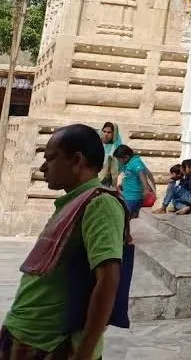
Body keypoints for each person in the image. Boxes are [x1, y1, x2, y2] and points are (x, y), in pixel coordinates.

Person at [1, 124, 127, 360]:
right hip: (26, 336)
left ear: (77, 160)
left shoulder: (99, 204)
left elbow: (108, 280)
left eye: (51, 158)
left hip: (51, 345)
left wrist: (83, 353)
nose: (43, 166)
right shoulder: (76, 201)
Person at [112, 145, 153, 218]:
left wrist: (146, 188)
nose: (118, 161)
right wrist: (122, 185)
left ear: (126, 157)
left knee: (127, 218)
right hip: (129, 196)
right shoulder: (129, 163)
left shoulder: (135, 162)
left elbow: (141, 173)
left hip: (133, 197)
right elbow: (130, 176)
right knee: (132, 219)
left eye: (119, 159)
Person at [99, 123, 121, 188]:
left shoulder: (114, 148)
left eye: (109, 132)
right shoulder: (95, 144)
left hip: (105, 180)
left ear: (113, 134)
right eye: (104, 131)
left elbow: (115, 168)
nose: (106, 134)